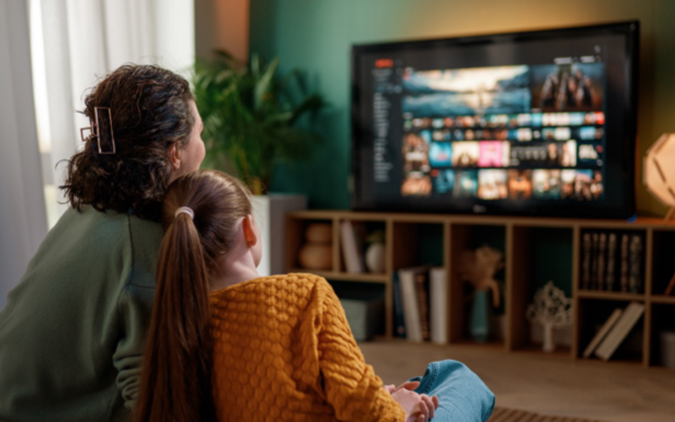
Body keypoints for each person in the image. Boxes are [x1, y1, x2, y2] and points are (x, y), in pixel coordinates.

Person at [134, 169, 495, 422]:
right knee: (456, 376)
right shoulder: (304, 294)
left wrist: (381, 397)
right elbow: (366, 413)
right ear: (249, 230)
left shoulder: (177, 323)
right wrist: (397, 407)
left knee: (418, 385)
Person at [0, 65, 205, 421]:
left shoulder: (84, 215)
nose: (205, 147)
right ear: (174, 152)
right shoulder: (144, 249)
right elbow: (157, 404)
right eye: (201, 133)